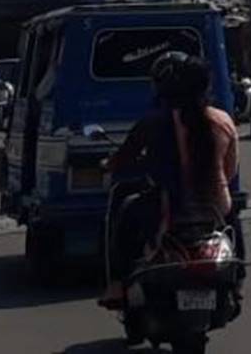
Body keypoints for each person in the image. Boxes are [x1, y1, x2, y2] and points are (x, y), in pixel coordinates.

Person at [99, 52, 239, 309]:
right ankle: (237, 280)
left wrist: (108, 164)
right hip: (215, 210)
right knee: (235, 217)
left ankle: (117, 285)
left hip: (167, 212)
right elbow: (230, 172)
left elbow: (123, 159)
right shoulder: (223, 121)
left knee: (126, 215)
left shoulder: (153, 122)